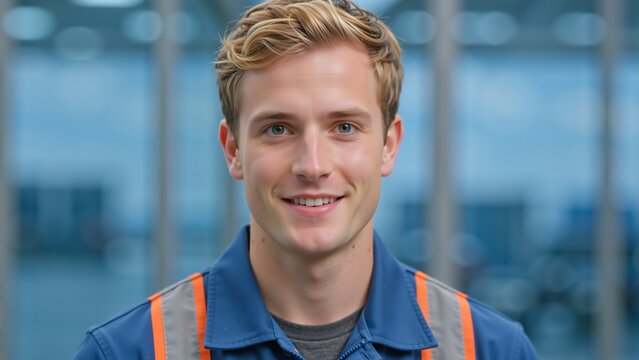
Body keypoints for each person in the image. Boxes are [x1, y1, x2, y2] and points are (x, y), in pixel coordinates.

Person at [74, 0, 538, 359]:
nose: (312, 165)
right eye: (278, 129)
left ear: (389, 146)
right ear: (233, 150)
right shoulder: (129, 351)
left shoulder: (490, 349)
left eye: (344, 128)